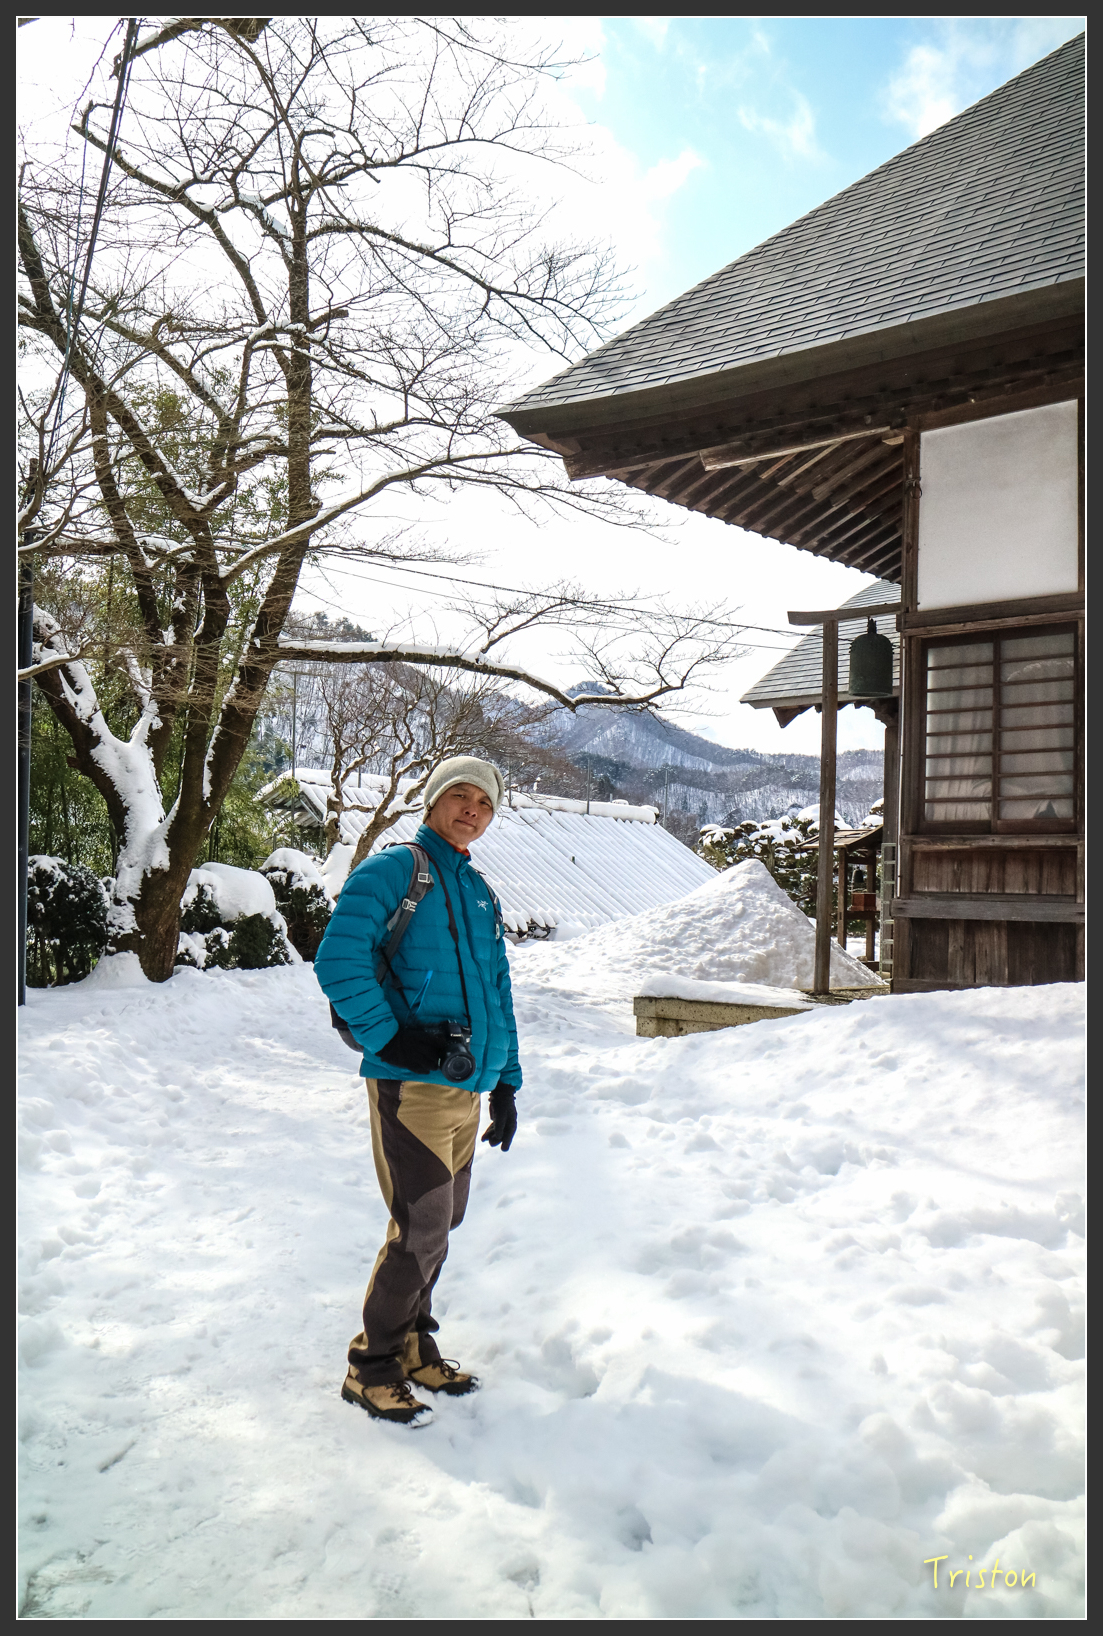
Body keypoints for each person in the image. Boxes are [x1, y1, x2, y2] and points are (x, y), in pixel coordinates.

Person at [314, 756, 521, 1425]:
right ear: (432, 802)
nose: (472, 810)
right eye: (459, 797)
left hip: (462, 1087)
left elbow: (497, 993)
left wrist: (505, 1084)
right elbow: (336, 957)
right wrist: (387, 1039)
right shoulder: (395, 870)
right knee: (420, 1229)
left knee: (441, 1225)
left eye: (484, 804)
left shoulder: (477, 889)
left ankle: (411, 1343)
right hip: (411, 1086)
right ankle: (369, 1368)